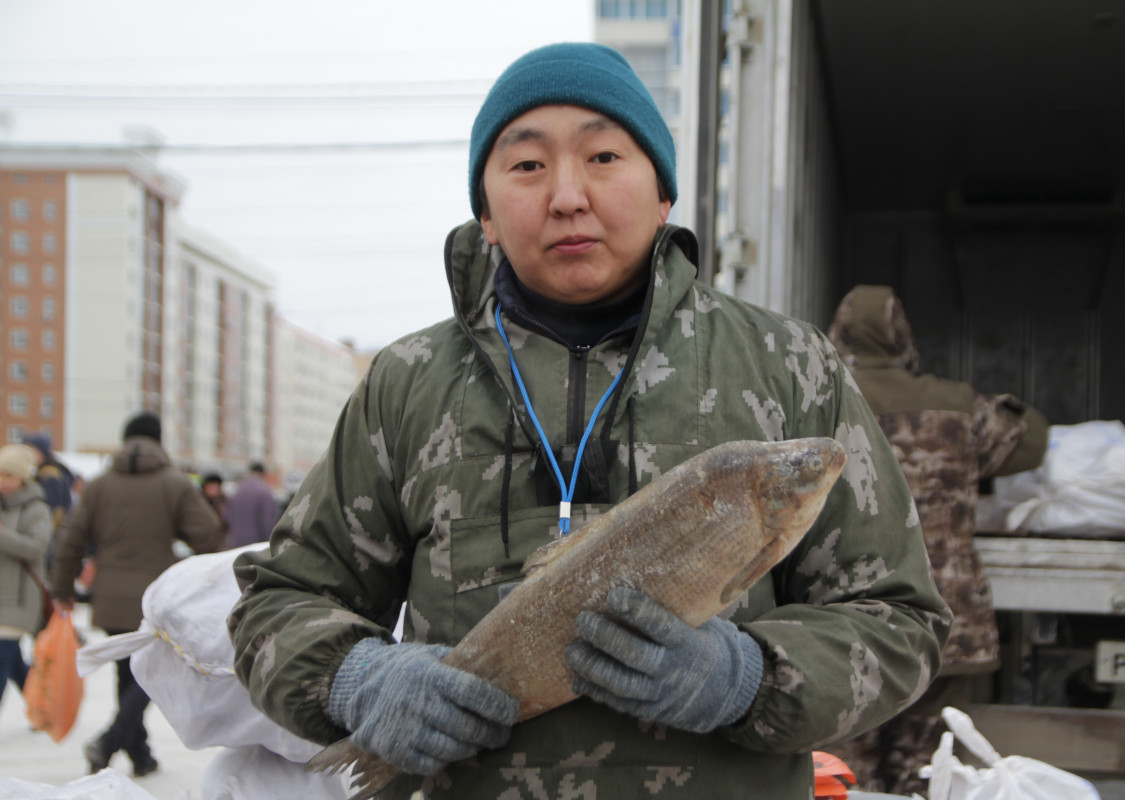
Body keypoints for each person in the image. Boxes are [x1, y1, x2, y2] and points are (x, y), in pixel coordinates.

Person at [229, 43, 951, 800]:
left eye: (604, 156)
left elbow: (900, 621)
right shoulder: (406, 384)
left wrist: (751, 680)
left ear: (663, 194)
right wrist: (357, 680)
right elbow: (277, 605)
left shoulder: (788, 365)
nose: (568, 195)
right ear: (486, 213)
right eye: (527, 166)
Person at [826, 284, 1049, 794]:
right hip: (941, 617)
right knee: (929, 769)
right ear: (903, 337)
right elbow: (1033, 438)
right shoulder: (953, 405)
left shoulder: (820, 398)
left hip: (842, 617)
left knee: (843, 771)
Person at [51, 411, 224, 778]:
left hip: (110, 598)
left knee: (125, 674)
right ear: (158, 441)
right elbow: (208, 534)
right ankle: (111, 741)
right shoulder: (174, 483)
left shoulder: (97, 485)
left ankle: (140, 756)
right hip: (157, 601)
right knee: (148, 677)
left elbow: (70, 541)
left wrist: (63, 588)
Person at [0, 444, 53, 711]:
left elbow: (37, 548)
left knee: (2, 659)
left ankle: (42, 706)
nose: (2, 481)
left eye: (7, 475)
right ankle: (42, 707)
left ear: (23, 477)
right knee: (12, 661)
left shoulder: (37, 508)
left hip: (19, 601)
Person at [22, 433, 74, 572]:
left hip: (51, 535)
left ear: (41, 451)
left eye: (31, 449)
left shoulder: (49, 474)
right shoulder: (48, 471)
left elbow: (54, 508)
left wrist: (48, 532)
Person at [223, 461, 278, 549]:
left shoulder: (237, 488)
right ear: (263, 474)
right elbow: (267, 522)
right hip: (255, 544)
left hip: (235, 542)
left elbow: (227, 516)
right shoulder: (264, 491)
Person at [200, 472, 230, 547]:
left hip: (221, 542)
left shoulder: (225, 502)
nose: (212, 489)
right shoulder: (200, 502)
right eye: (209, 486)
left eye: (215, 486)